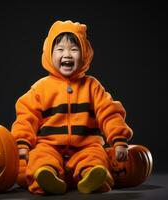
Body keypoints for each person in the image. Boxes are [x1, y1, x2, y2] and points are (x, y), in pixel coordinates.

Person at [11, 20, 133, 195]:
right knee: (40, 156)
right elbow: (26, 117)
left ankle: (93, 177)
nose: (67, 54)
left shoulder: (92, 86)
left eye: (74, 50)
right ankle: (46, 177)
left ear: (84, 54)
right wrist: (22, 143)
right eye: (60, 49)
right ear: (49, 54)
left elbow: (109, 113)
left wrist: (119, 139)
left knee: (96, 157)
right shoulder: (41, 88)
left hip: (85, 146)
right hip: (50, 146)